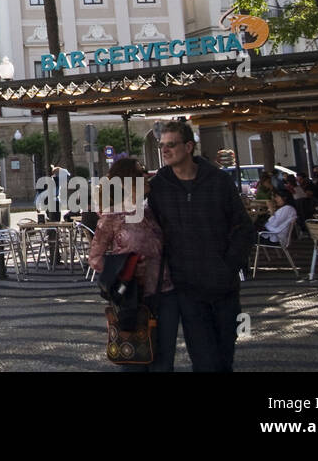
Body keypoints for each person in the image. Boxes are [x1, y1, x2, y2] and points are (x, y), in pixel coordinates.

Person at [148, 120, 253, 372]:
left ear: (189, 147)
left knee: (224, 356)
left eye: (171, 145)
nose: (165, 150)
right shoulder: (158, 187)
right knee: (204, 360)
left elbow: (243, 228)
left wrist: (228, 265)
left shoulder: (218, 181)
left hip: (224, 287)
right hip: (188, 289)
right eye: (162, 145)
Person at [88, 159, 175, 371]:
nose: (146, 175)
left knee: (164, 362)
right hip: (134, 300)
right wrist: (124, 271)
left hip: (165, 294)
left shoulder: (150, 211)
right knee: (135, 361)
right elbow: (95, 258)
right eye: (140, 173)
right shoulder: (113, 216)